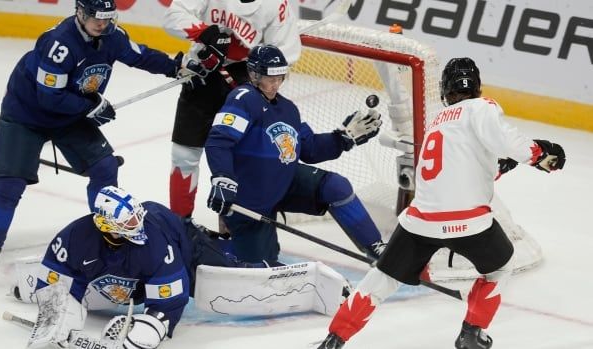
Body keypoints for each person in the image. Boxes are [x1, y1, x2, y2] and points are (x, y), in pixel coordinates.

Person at [316, 57, 566, 349]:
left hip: (420, 220)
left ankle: (335, 339)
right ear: (477, 87)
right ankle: (471, 333)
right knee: (500, 268)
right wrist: (540, 154)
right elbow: (513, 143)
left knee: (381, 278)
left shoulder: (437, 123)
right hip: (470, 223)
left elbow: (451, 176)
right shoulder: (482, 107)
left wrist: (498, 167)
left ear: (445, 90)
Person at [0, 0, 186, 280]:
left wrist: (175, 67)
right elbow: (48, 98)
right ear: (80, 13)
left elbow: (140, 56)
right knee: (10, 183)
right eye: (96, 18)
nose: (102, 24)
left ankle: (106, 235)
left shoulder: (113, 36)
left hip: (70, 116)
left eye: (108, 18)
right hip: (25, 116)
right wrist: (90, 106)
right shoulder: (59, 44)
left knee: (105, 167)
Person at [12, 186, 349, 348]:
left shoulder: (153, 242)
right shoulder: (74, 238)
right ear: (105, 225)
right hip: (135, 268)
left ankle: (267, 265)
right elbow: (57, 283)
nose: (134, 225)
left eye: (134, 218)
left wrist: (138, 338)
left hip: (184, 243)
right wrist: (60, 322)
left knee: (228, 271)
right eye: (127, 222)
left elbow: (170, 300)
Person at [204, 44, 387, 264]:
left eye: (280, 77)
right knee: (261, 266)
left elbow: (308, 150)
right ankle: (220, 247)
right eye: (269, 78)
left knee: (336, 186)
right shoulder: (243, 98)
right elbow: (218, 141)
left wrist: (342, 138)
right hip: (250, 198)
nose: (275, 84)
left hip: (284, 182)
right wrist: (223, 179)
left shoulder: (288, 108)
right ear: (254, 75)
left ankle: (375, 247)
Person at [162, 0, 301, 219]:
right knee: (184, 155)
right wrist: (206, 32)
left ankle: (234, 230)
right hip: (202, 71)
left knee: (242, 158)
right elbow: (173, 16)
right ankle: (180, 225)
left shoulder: (276, 4)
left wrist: (251, 57)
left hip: (247, 80)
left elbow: (286, 53)